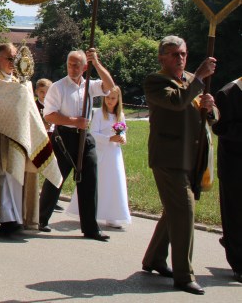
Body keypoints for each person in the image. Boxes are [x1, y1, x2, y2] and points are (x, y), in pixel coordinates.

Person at [142, 35, 217, 295]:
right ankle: (184, 276)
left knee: (175, 210)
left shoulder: (191, 81)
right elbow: (176, 101)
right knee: (184, 211)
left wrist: (210, 108)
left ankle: (154, 258)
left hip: (191, 157)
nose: (180, 58)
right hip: (168, 158)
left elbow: (210, 117)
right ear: (162, 57)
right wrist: (199, 78)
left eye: (183, 53)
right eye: (174, 54)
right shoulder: (156, 81)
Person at [39, 48, 115, 241]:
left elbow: (110, 85)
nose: (72, 69)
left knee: (89, 179)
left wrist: (96, 63)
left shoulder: (90, 85)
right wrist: (74, 121)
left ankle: (91, 228)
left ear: (84, 67)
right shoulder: (58, 87)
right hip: (64, 137)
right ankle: (41, 218)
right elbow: (49, 115)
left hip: (85, 137)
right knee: (56, 178)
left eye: (76, 65)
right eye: (70, 65)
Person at [0, 43, 60, 233]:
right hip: (1, 134)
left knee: (18, 177)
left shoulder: (21, 81)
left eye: (16, 59)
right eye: (10, 58)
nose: (13, 63)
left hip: (21, 135)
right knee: (3, 175)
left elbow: (27, 104)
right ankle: (3, 216)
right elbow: (0, 99)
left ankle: (17, 217)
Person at [66, 85, 130, 228]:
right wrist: (109, 138)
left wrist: (122, 138)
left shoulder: (120, 115)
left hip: (114, 154)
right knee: (99, 182)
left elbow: (122, 131)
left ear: (118, 99)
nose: (110, 101)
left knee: (114, 183)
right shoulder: (100, 114)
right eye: (107, 98)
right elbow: (93, 133)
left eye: (113, 98)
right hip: (102, 153)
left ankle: (113, 215)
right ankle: (88, 212)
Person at [213, 77, 242, 284]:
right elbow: (220, 128)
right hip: (235, 165)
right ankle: (238, 263)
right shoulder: (229, 93)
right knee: (236, 215)